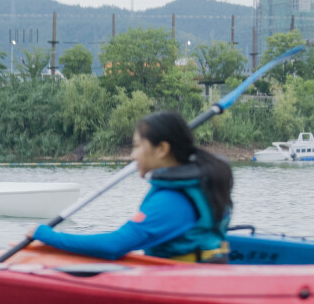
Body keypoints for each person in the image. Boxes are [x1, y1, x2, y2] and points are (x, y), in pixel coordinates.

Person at [27, 111, 232, 262]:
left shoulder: (173, 200)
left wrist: (46, 235)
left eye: (137, 146)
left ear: (162, 149)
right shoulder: (197, 182)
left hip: (188, 284)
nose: (133, 155)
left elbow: (114, 246)